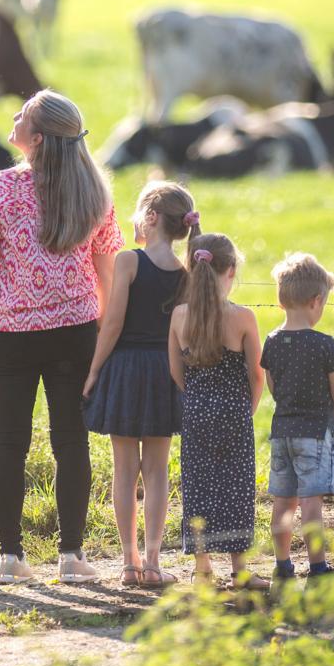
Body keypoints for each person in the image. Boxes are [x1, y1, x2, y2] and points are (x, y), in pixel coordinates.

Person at [0, 90, 121, 584]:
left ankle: (11, 557)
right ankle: (72, 555)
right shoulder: (95, 191)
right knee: (71, 442)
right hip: (76, 330)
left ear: (39, 137)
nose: (13, 116)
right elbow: (105, 269)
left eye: (22, 114)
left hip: (11, 332)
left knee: (8, 441)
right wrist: (106, 327)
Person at [82, 182, 199, 588]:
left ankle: (129, 563)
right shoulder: (187, 272)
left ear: (150, 218)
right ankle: (153, 562)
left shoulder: (129, 261)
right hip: (166, 371)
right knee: (157, 471)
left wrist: (95, 369)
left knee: (124, 469)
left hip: (126, 369)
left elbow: (112, 324)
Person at [169, 233, 267, 589]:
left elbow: (176, 372)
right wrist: (247, 408)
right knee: (236, 488)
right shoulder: (243, 318)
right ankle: (240, 569)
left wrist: (197, 397)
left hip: (195, 410)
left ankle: (202, 570)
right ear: (232, 270)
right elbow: (257, 374)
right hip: (234, 412)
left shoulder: (180, 316)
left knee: (198, 487)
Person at [263, 252, 334, 584]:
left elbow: (273, 386)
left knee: (283, 502)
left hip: (282, 430)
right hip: (315, 432)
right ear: (316, 301)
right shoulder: (323, 344)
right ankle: (317, 568)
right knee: (311, 502)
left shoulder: (272, 342)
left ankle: (283, 566)